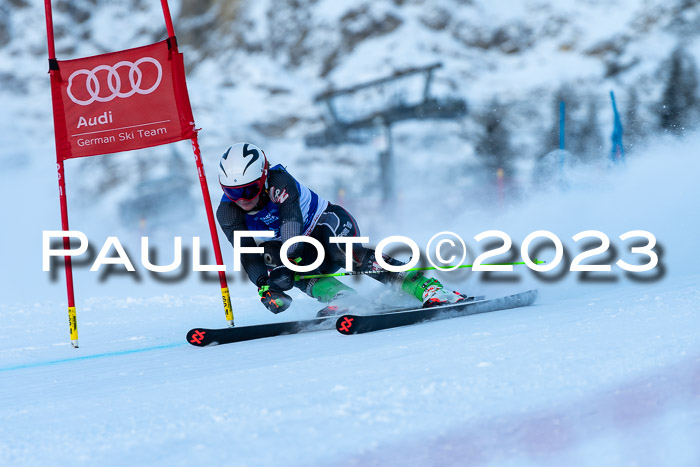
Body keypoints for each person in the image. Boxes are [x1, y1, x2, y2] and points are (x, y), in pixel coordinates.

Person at [216, 142, 470, 316]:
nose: (242, 198)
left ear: (263, 177)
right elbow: (247, 253)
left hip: (329, 224)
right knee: (269, 254)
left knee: (340, 251)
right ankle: (342, 298)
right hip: (301, 248)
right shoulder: (228, 212)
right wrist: (265, 286)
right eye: (232, 192)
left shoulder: (280, 182)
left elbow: (290, 226)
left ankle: (428, 287)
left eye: (249, 189)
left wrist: (286, 264)